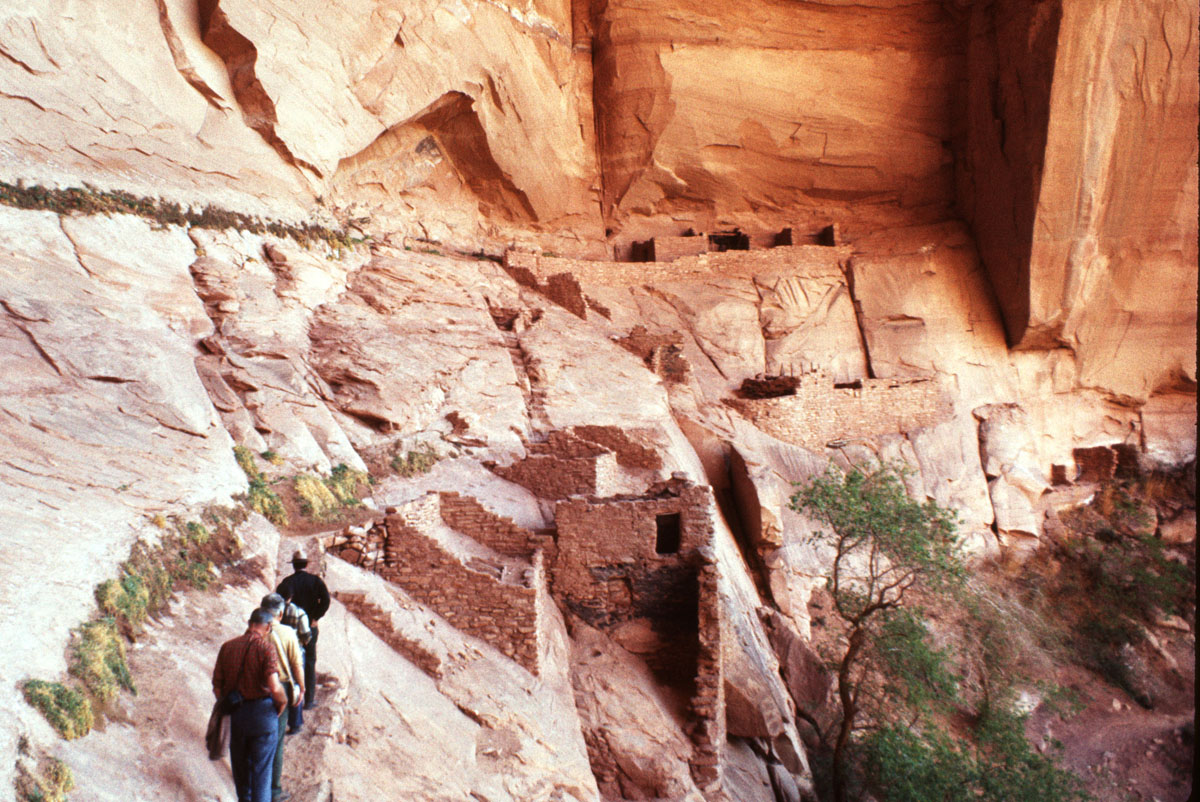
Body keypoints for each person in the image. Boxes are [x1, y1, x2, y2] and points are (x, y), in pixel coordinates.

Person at [213, 608, 288, 802]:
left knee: (241, 772)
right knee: (261, 775)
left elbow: (217, 686)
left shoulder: (228, 647)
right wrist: (282, 702)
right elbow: (274, 685)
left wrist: (229, 704)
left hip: (236, 715)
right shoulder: (266, 649)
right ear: (268, 627)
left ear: (249, 623)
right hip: (263, 714)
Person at [260, 594, 304, 802]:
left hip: (258, 686)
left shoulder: (256, 630)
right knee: (276, 740)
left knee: (257, 735)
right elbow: (296, 664)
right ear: (280, 613)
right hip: (282, 687)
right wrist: (301, 687)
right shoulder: (287, 632)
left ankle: (253, 782)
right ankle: (274, 790)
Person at [275, 549, 329, 709]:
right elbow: (325, 600)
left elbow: (279, 603)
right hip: (309, 629)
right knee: (310, 662)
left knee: (289, 662)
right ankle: (309, 700)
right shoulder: (315, 581)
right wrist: (315, 618)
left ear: (293, 566)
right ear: (306, 564)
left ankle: (290, 699)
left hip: (288, 628)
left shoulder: (286, 582)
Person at [279, 589, 311, 734]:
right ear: (291, 597)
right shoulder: (299, 613)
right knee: (296, 686)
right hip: (295, 653)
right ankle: (295, 723)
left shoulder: (271, 612)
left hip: (278, 653)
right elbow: (306, 636)